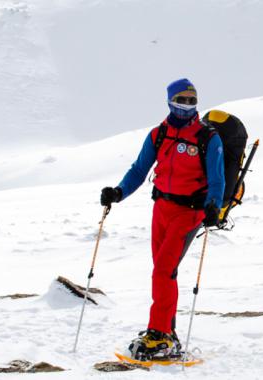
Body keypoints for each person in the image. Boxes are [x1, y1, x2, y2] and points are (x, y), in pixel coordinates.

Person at [99, 78, 225, 360]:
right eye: (181, 100)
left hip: (190, 211)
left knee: (164, 269)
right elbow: (139, 169)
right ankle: (168, 333)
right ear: (170, 101)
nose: (187, 106)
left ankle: (158, 333)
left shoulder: (207, 137)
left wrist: (213, 207)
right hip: (162, 208)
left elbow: (217, 179)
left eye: (192, 101)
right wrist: (118, 192)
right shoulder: (159, 134)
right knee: (163, 271)